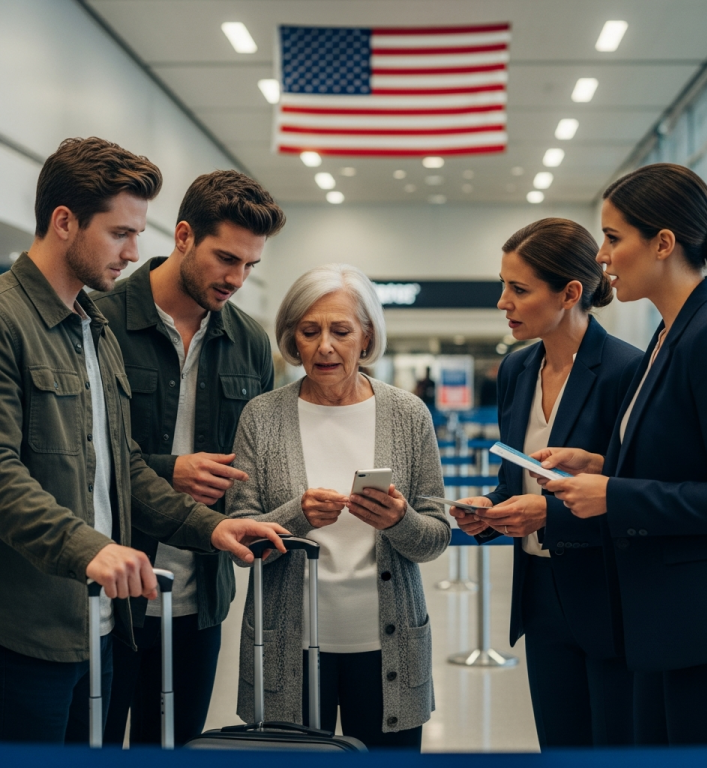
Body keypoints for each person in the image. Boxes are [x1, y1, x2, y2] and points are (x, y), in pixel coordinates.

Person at [0, 137, 288, 745]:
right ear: (64, 222)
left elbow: (118, 466)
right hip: (28, 628)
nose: (135, 252)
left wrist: (211, 528)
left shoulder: (91, 328)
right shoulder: (10, 321)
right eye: (121, 234)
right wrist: (89, 549)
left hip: (102, 623)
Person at [537, 163, 707, 745]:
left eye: (613, 238)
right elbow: (681, 461)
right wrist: (603, 467)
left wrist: (613, 494)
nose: (602, 258)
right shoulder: (668, 336)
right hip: (662, 626)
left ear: (663, 243)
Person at [94, 170, 286, 746]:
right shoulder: (99, 317)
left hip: (200, 592)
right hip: (111, 587)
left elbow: (255, 462)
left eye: (251, 265)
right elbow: (82, 455)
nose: (237, 278)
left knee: (177, 747)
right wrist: (168, 470)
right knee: (94, 742)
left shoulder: (249, 341)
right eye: (226, 258)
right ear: (182, 236)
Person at [226, 263, 450, 750]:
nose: (325, 346)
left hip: (389, 645)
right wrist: (295, 516)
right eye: (309, 332)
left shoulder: (408, 415)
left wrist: (399, 521)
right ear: (292, 339)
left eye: (340, 330)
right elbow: (236, 538)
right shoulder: (262, 417)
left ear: (366, 338)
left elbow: (436, 535)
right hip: (288, 650)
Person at [450, 219, 642, 747]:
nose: (502, 302)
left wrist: (548, 515)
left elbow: (634, 496)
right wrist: (487, 510)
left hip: (608, 598)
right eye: (503, 285)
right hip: (538, 593)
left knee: (613, 743)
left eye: (518, 289)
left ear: (571, 293)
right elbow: (514, 478)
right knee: (558, 742)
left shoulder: (627, 370)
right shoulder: (516, 369)